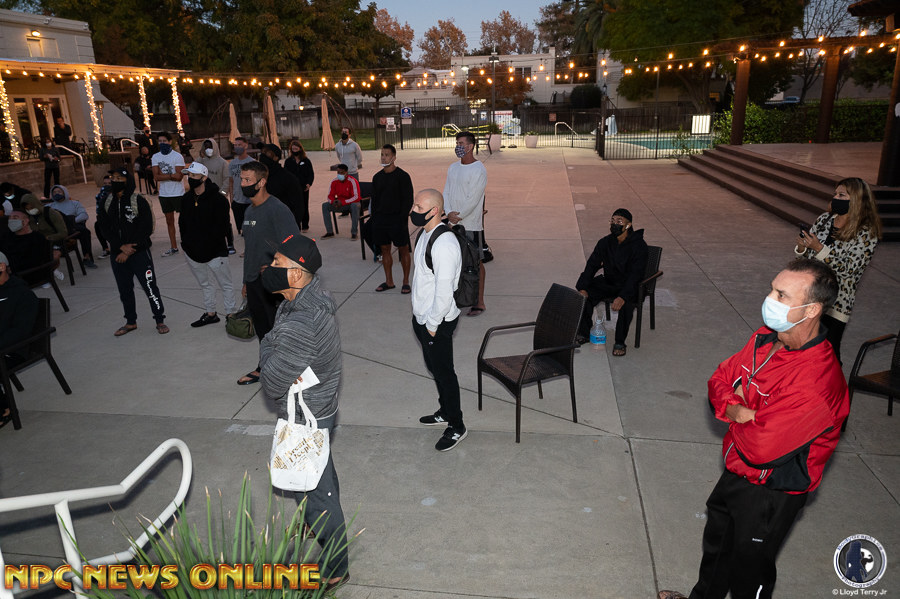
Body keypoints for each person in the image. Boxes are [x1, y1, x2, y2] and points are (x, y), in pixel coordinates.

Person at [657, 259, 848, 599]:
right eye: (772, 289)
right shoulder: (764, 339)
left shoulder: (816, 381)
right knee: (717, 551)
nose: (769, 299)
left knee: (749, 574)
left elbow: (761, 448)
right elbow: (719, 379)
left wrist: (738, 410)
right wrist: (740, 410)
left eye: (781, 295)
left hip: (770, 493)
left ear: (812, 309)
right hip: (736, 472)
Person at [258, 234, 349, 591]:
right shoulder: (301, 300)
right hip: (316, 407)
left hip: (306, 415)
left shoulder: (302, 321)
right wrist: (275, 345)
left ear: (296, 273)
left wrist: (269, 344)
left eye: (277, 262)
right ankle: (317, 521)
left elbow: (271, 380)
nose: (269, 267)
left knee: (316, 495)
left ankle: (336, 566)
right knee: (318, 476)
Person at [794, 177, 882, 363]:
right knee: (803, 348)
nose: (835, 198)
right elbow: (806, 260)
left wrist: (819, 248)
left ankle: (833, 382)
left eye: (841, 195)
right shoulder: (825, 219)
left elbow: (850, 269)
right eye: (835, 194)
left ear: (856, 199)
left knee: (829, 353)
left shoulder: (866, 232)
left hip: (837, 302)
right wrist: (802, 248)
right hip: (811, 294)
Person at [410, 189, 466, 451]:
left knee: (445, 374)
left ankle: (457, 425)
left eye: (419, 207)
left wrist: (432, 325)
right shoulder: (425, 233)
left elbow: (444, 291)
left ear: (434, 211)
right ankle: (445, 411)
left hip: (437, 322)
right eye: (414, 205)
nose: (413, 211)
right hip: (423, 317)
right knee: (435, 368)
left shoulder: (444, 244)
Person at [236, 161, 301, 386]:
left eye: (247, 180)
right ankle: (265, 366)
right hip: (254, 281)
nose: (242, 184)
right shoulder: (248, 211)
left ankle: (289, 374)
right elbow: (251, 249)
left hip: (274, 283)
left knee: (280, 331)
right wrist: (246, 281)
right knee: (263, 330)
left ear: (261, 182)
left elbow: (295, 246)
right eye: (241, 179)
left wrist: (277, 269)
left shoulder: (277, 209)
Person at [97, 167, 168, 336]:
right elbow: (104, 227)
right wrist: (120, 247)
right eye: (113, 178)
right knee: (125, 289)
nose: (115, 181)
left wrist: (129, 250)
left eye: (119, 178)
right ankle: (130, 322)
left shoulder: (138, 200)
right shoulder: (107, 201)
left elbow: (146, 228)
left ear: (127, 181)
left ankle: (159, 319)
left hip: (140, 253)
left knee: (150, 287)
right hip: (117, 254)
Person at [575, 208, 648, 356]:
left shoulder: (639, 246)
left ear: (628, 225)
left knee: (626, 305)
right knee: (586, 295)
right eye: (613, 220)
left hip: (630, 286)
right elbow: (592, 265)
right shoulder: (605, 243)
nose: (615, 224)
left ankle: (620, 342)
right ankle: (584, 333)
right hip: (610, 282)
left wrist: (623, 296)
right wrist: (582, 287)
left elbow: (636, 275)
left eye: (619, 221)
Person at [178, 162, 236, 327]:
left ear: (204, 178)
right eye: (189, 175)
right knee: (205, 284)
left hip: (215, 252)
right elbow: (182, 224)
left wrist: (209, 246)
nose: (190, 178)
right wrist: (187, 245)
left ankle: (231, 315)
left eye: (194, 175)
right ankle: (211, 313)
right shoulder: (186, 199)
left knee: (225, 284)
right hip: (193, 252)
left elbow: (223, 227)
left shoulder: (219, 200)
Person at [443, 131, 487, 316]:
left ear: (470, 146)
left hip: (470, 225)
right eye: (457, 143)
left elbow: (474, 198)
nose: (458, 146)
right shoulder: (453, 168)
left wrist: (458, 216)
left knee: (475, 263)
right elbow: (446, 191)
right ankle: (459, 298)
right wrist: (448, 213)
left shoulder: (479, 169)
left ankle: (479, 302)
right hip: (453, 224)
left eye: (461, 143)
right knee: (455, 262)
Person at [0, 251, 39, 429]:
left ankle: (4, 408)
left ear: (2, 267)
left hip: (14, 349)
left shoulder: (22, 294)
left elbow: (21, 331)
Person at [371, 144, 414, 293]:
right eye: (382, 155)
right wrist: (375, 219)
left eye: (387, 155)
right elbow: (374, 201)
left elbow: (408, 200)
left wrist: (401, 218)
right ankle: (389, 282)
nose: (383, 158)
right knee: (385, 250)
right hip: (381, 220)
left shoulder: (403, 176)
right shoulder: (377, 177)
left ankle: (405, 282)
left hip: (397, 220)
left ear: (394, 157)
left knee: (403, 249)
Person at [151, 131, 185, 257]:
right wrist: (171, 175)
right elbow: (156, 177)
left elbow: (179, 177)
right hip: (164, 194)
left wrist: (163, 175)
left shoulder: (177, 156)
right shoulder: (155, 157)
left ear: (170, 142)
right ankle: (173, 247)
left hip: (178, 193)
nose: (162, 143)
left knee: (184, 221)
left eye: (164, 141)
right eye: (160, 141)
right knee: (169, 222)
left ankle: (188, 244)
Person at [198, 138, 234, 254]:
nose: (208, 149)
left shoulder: (223, 163)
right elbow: (194, 170)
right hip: (205, 197)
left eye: (210, 146)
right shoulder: (202, 162)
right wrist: (200, 156)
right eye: (206, 147)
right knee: (208, 221)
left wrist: (222, 194)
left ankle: (230, 244)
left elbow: (227, 180)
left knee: (224, 221)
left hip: (219, 197)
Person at [0, 211, 55, 286]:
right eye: (10, 218)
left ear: (26, 221)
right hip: (7, 271)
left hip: (26, 275)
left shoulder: (37, 238)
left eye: (15, 218)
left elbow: (36, 261)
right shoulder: (7, 236)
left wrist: (10, 268)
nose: (11, 221)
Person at [49, 184, 97, 268]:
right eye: (54, 192)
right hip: (57, 230)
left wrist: (70, 222)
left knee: (85, 232)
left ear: (64, 192)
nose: (57, 194)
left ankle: (87, 257)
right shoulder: (49, 207)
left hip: (72, 227)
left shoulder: (74, 203)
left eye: (59, 192)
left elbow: (84, 215)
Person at [259, 143, 304, 232]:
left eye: (267, 154)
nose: (263, 157)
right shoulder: (258, 178)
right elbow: (251, 216)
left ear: (276, 158)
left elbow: (298, 206)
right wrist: (251, 226)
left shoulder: (288, 178)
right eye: (262, 153)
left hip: (285, 227)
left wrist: (292, 226)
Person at [321, 164, 361, 240]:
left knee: (355, 206)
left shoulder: (352, 181)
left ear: (346, 173)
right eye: (338, 172)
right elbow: (330, 196)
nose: (340, 175)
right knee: (325, 205)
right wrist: (333, 202)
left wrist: (343, 202)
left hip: (350, 203)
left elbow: (356, 197)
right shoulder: (334, 181)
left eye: (342, 173)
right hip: (339, 204)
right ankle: (330, 232)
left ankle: (354, 233)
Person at [283, 139, 315, 232]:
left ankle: (305, 225)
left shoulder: (306, 161)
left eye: (296, 149)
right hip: (292, 188)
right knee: (293, 207)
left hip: (303, 187)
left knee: (304, 206)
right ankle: (295, 225)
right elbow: (285, 174)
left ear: (300, 149)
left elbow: (311, 174)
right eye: (293, 149)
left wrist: (309, 184)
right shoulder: (288, 161)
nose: (295, 151)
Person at [227, 137, 254, 237]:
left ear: (245, 146)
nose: (237, 147)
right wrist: (231, 198)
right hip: (237, 200)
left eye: (239, 145)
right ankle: (243, 230)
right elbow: (231, 182)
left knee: (251, 223)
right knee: (240, 222)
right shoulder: (232, 164)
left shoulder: (252, 162)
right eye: (235, 145)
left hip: (250, 200)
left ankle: (249, 232)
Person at [94, 175, 112, 258]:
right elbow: (98, 211)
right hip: (106, 218)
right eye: (105, 183)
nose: (107, 185)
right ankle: (106, 249)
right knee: (98, 224)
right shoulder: (100, 196)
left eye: (109, 183)